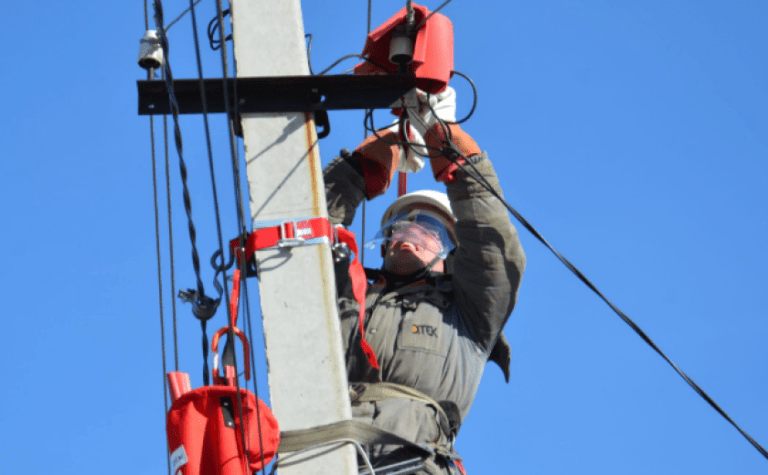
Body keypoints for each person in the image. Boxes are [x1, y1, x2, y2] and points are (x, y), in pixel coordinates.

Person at [323, 88, 526, 474]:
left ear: (451, 253)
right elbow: (309, 227)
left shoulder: (469, 312)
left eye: (430, 227)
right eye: (403, 224)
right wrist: (392, 142)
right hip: (326, 456)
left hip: (412, 462)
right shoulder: (348, 295)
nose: (412, 232)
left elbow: (493, 243)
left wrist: (438, 134)